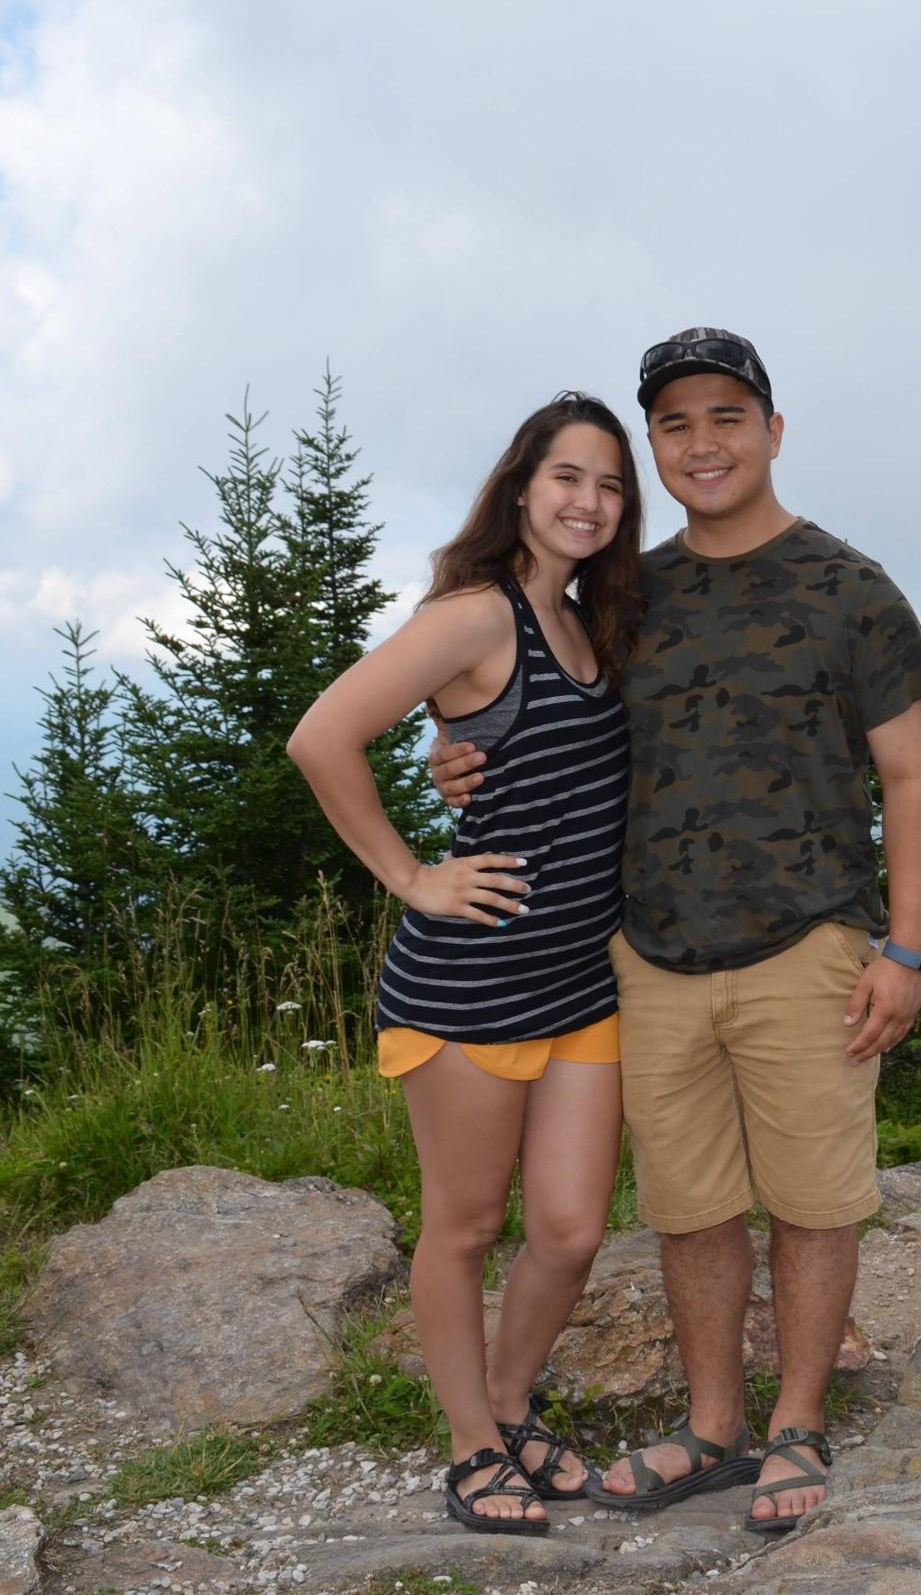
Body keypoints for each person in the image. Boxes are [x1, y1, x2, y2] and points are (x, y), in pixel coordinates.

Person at [430, 330, 921, 1534]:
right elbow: (547, 718)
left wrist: (906, 950)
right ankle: (713, 1426)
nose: (701, 444)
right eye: (675, 424)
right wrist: (458, 761)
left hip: (810, 944)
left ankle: (798, 1426)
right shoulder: (632, 593)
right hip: (647, 954)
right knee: (691, 1204)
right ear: (655, 444)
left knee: (814, 1200)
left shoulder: (851, 589)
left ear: (773, 429)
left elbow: (912, 778)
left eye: (726, 416)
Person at [288, 392, 644, 1535]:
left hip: (582, 983)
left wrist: (459, 752)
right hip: (467, 986)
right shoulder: (475, 616)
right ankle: (470, 1447)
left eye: (608, 485)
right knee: (463, 1226)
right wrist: (411, 876)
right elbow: (323, 735)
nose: (589, 502)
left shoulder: (595, 620)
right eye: (568, 479)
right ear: (523, 488)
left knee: (573, 1228)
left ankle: (507, 1400)